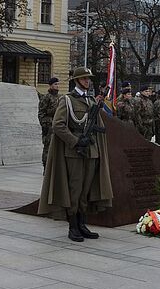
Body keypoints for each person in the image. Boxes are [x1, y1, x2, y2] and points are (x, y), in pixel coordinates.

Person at [37, 68, 112, 242]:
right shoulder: (67, 100)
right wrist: (76, 141)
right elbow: (58, 125)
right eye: (84, 79)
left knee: (86, 190)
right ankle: (73, 226)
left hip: (91, 151)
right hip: (75, 152)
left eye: (88, 79)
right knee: (75, 190)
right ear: (77, 81)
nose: (87, 81)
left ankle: (82, 223)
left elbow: (98, 125)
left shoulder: (91, 100)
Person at [38, 77, 61, 168]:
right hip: (49, 127)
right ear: (51, 85)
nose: (57, 86)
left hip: (58, 126)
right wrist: (46, 125)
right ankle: (46, 167)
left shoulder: (60, 97)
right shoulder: (46, 98)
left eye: (58, 84)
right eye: (55, 84)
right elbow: (41, 114)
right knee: (48, 148)